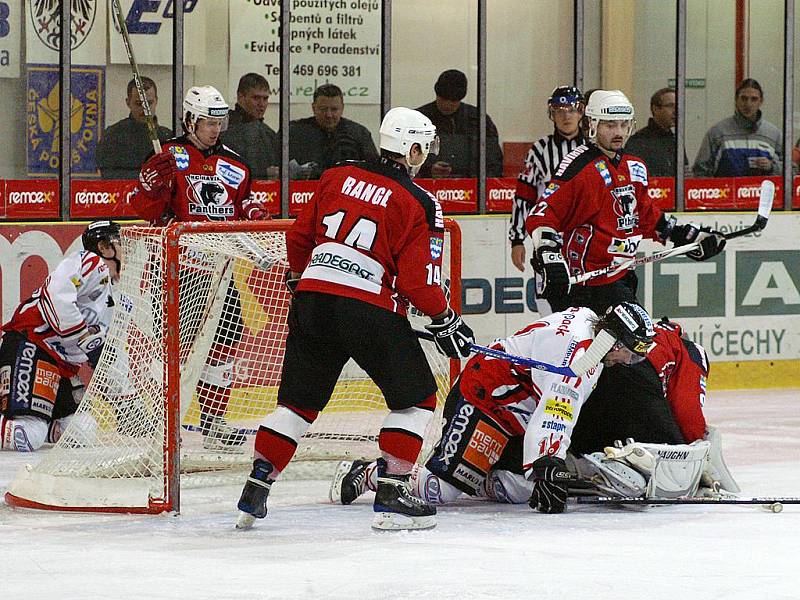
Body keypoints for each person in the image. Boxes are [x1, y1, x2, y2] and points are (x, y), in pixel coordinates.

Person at [235, 107, 475, 531]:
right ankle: (393, 491)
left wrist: (299, 280)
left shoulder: (335, 176)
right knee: (416, 398)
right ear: (414, 149)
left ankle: (257, 484)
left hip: (312, 301)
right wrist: (446, 320)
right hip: (368, 310)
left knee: (296, 404)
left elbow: (298, 237)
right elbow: (420, 286)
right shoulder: (420, 202)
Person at [331, 307, 740, 513]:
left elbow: (554, 405)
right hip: (484, 398)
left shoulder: (590, 329)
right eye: (632, 353)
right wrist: (547, 462)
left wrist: (546, 464)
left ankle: (485, 476)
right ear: (613, 343)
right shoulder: (581, 357)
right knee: (443, 492)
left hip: (517, 409)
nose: (633, 362)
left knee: (520, 488)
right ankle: (369, 473)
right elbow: (556, 408)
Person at [131, 85, 270, 449]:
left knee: (226, 341)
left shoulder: (236, 165)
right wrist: (149, 184)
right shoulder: (167, 155)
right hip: (181, 272)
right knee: (177, 347)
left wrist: (254, 213)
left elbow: (245, 206)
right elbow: (146, 211)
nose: (215, 129)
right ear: (190, 119)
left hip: (221, 277)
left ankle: (212, 420)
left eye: (219, 121)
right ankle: (159, 418)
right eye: (208, 121)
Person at [524, 89, 727, 317]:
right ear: (592, 125)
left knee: (638, 345)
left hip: (619, 279)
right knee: (577, 351)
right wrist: (549, 255)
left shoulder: (635, 166)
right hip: (579, 287)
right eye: (610, 125)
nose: (618, 132)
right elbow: (542, 214)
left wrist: (689, 236)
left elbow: (646, 216)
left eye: (623, 124)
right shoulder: (579, 167)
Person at [0, 221, 120, 451]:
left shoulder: (115, 293)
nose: (127, 250)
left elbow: (109, 349)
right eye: (120, 243)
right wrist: (86, 338)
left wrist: (124, 397)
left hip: (59, 366)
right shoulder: (91, 261)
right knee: (27, 435)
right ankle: (30, 416)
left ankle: (42, 416)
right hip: (31, 345)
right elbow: (57, 295)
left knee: (80, 431)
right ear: (104, 247)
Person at [508, 85, 585, 317]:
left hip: (585, 240)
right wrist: (516, 239)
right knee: (549, 305)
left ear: (581, 112)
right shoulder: (540, 150)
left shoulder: (592, 149)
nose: (566, 116)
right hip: (548, 239)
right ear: (551, 114)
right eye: (559, 110)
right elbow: (524, 195)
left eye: (572, 109)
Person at [416, 69, 504, 178]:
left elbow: (494, 163)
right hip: (427, 187)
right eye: (444, 99)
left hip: (471, 187)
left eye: (453, 101)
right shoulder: (418, 120)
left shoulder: (478, 120)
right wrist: (427, 171)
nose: (447, 105)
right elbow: (406, 160)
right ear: (437, 94)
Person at [692, 78, 783, 177]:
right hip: (727, 191)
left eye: (754, 99)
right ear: (736, 100)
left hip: (762, 192)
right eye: (744, 98)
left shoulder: (774, 134)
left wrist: (772, 167)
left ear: (761, 102)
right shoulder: (718, 132)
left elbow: (792, 170)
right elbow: (700, 171)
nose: (748, 104)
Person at [288, 84, 378, 179]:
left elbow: (374, 171)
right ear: (313, 108)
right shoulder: (295, 132)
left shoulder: (359, 134)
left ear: (342, 108)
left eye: (334, 109)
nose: (329, 115)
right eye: (323, 109)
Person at [96, 77, 173, 179]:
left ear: (156, 101)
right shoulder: (113, 136)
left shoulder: (168, 137)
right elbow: (108, 175)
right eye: (139, 104)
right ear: (128, 102)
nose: (145, 109)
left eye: (149, 103)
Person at [219, 73, 280, 180]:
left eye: (265, 99)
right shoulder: (222, 128)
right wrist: (263, 174)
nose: (261, 104)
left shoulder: (268, 133)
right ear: (240, 97)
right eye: (256, 98)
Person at [625, 87, 687, 177]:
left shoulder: (675, 140)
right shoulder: (639, 141)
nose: (676, 111)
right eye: (670, 106)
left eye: (678, 106)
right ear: (655, 109)